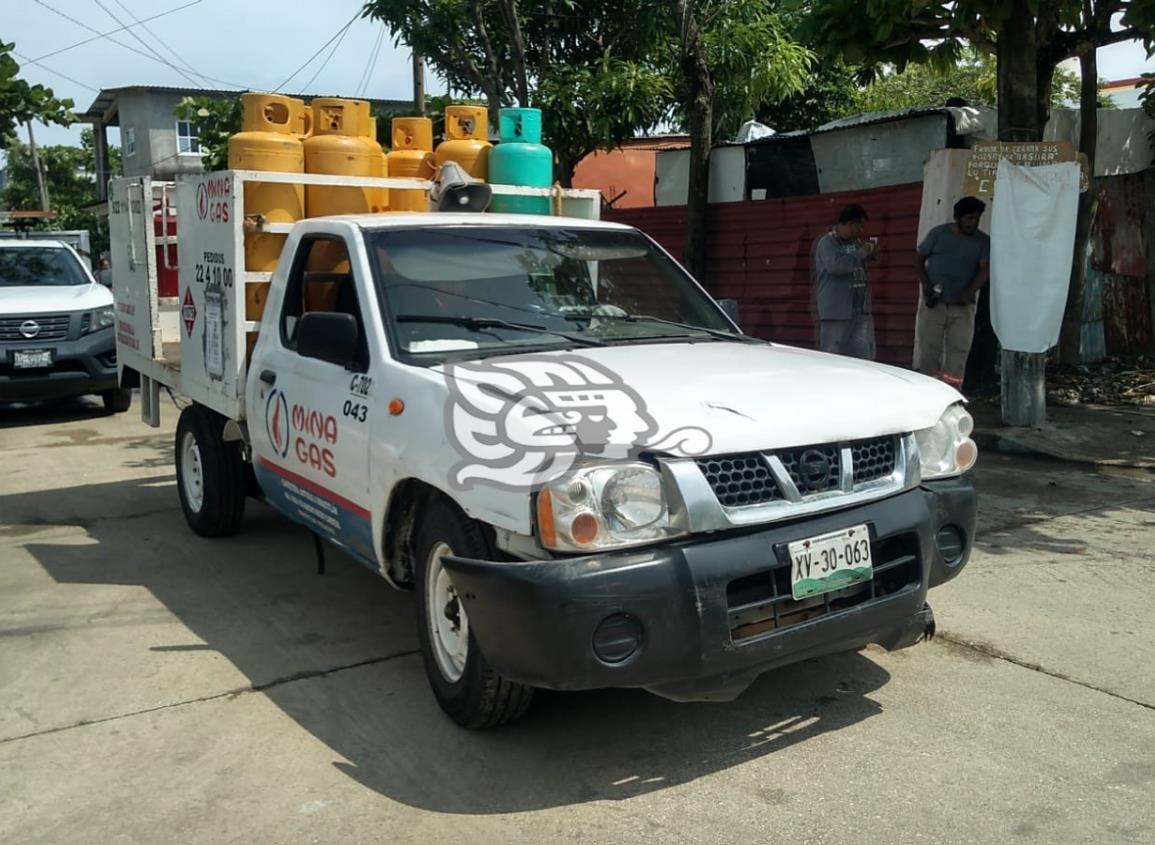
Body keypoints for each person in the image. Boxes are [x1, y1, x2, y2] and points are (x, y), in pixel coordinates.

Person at [913, 196, 991, 387]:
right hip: (935, 303)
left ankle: (953, 394)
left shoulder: (983, 241)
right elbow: (918, 260)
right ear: (957, 217)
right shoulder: (938, 234)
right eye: (969, 218)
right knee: (930, 350)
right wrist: (926, 285)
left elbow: (984, 270)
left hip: (963, 307)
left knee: (959, 351)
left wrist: (969, 292)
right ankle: (929, 392)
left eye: (977, 219)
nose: (973, 223)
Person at [812, 204, 879, 359]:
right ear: (850, 224)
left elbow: (859, 260)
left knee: (863, 358)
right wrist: (862, 253)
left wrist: (871, 253)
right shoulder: (827, 243)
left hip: (858, 311)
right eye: (859, 227)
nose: (861, 231)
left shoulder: (855, 243)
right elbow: (836, 266)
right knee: (832, 357)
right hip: (836, 312)